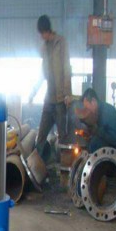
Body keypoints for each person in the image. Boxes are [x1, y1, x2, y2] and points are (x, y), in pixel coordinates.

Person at [29, 15, 72, 159]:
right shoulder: (44, 48)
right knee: (41, 136)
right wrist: (33, 92)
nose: (42, 37)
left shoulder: (61, 43)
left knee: (63, 139)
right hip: (49, 100)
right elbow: (42, 74)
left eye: (43, 33)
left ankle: (64, 167)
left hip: (60, 100)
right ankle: (35, 167)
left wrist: (68, 93)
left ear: (47, 30)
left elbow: (66, 68)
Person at [76, 88, 116, 162]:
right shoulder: (98, 112)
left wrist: (96, 131)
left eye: (87, 108)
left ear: (93, 102)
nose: (87, 111)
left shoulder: (107, 111)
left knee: (95, 144)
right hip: (111, 153)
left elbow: (114, 139)